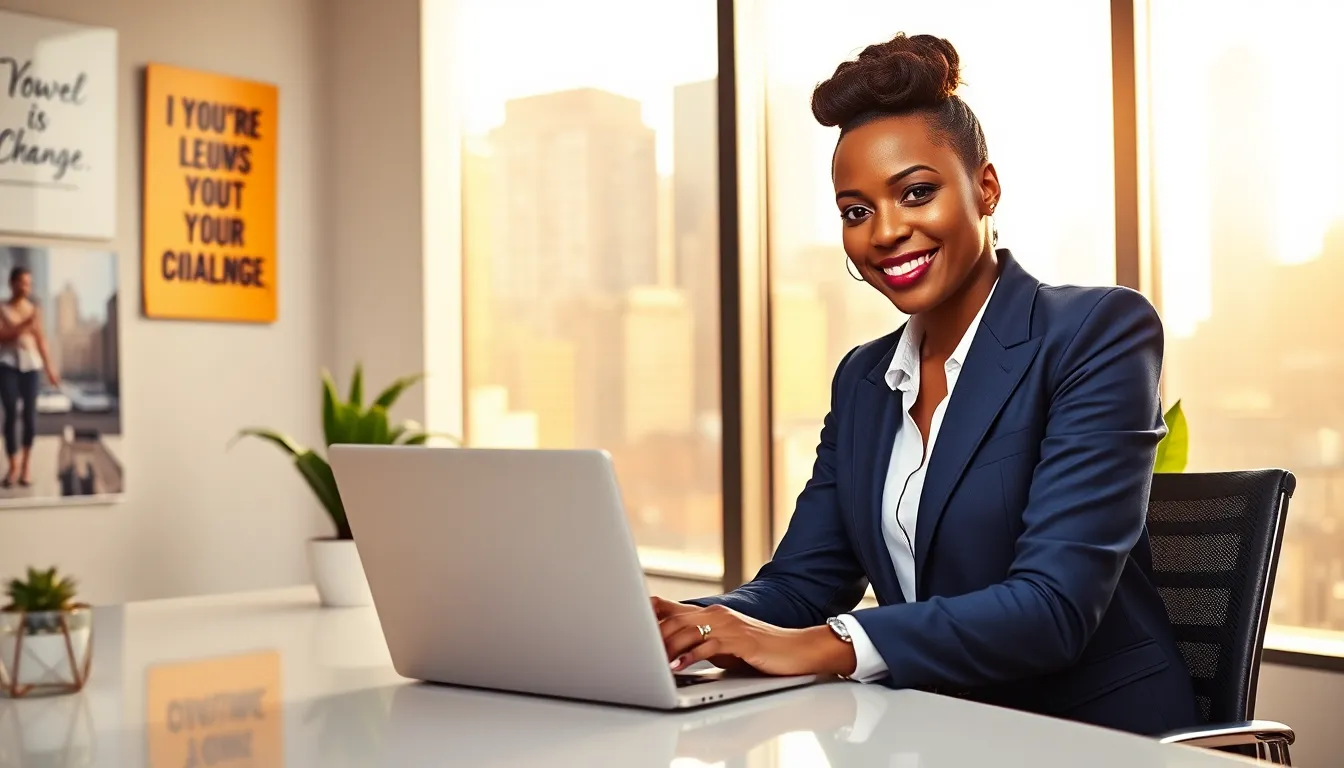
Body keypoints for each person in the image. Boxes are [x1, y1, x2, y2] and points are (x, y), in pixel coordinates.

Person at [651, 33, 1201, 736]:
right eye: (856, 211)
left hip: (1090, 738)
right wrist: (698, 625)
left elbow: (1052, 609)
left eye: (916, 192)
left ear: (986, 188)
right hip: (929, 732)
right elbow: (803, 583)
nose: (885, 231)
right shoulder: (864, 379)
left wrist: (833, 643)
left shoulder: (1095, 332)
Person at [0, 266, 60, 487]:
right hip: (7, 366)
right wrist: (24, 325)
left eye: (29, 283)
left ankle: (26, 466)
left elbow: (41, 341)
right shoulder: (2, 308)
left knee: (30, 418)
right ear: (12, 283)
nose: (26, 287)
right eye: (22, 282)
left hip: (31, 367)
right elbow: (2, 336)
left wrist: (50, 368)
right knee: (10, 414)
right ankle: (13, 467)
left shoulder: (34, 309)